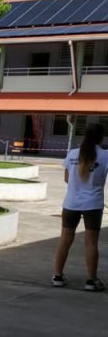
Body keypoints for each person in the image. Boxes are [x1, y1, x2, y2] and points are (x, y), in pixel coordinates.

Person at [52, 122, 107, 291]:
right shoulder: (105, 155)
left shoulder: (73, 154)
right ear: (101, 138)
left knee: (65, 240)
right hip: (93, 204)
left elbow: (67, 179)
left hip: (71, 203)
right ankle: (91, 280)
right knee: (91, 243)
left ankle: (58, 276)